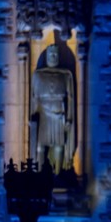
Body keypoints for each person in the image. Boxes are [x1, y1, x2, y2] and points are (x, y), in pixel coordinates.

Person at [30, 44, 75, 175]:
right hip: (43, 115)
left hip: (59, 116)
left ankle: (58, 173)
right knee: (40, 146)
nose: (53, 56)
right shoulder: (38, 75)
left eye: (56, 54)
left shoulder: (66, 75)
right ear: (47, 56)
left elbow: (70, 99)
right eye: (51, 54)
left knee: (59, 145)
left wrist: (69, 118)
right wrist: (32, 118)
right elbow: (34, 98)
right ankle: (39, 173)